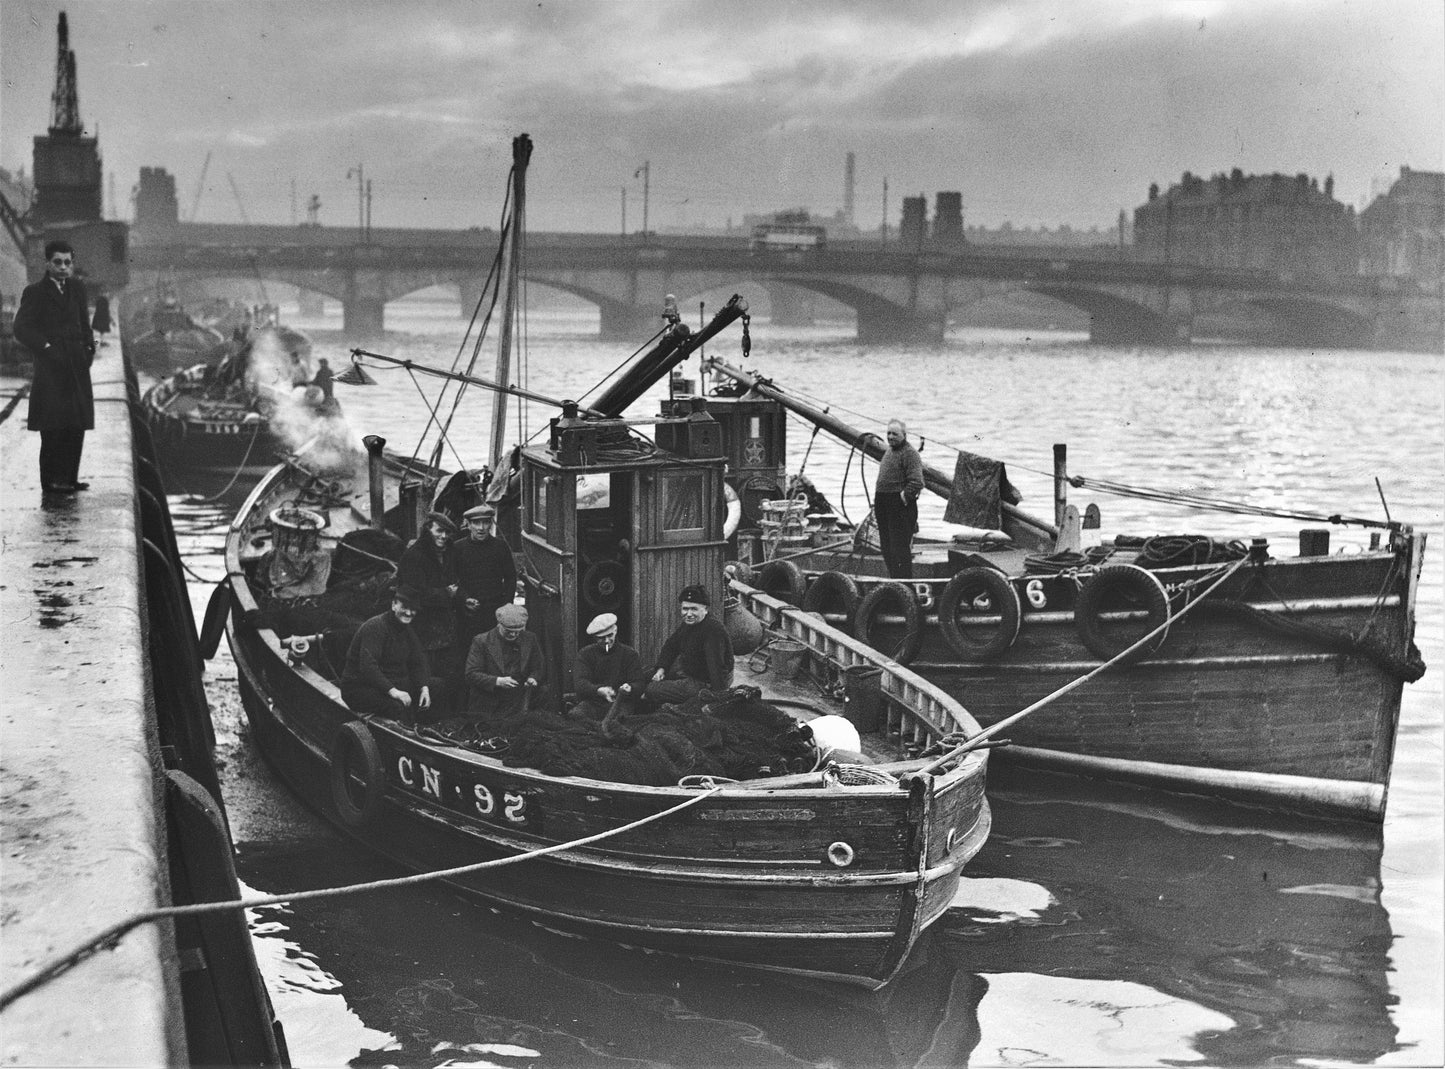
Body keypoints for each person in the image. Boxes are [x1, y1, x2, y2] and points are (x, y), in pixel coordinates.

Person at [13, 240, 96, 494]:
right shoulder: (35, 292)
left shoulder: (78, 289)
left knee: (75, 424)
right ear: (48, 264)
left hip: (76, 367)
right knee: (53, 427)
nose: (63, 267)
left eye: (67, 263)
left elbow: (84, 323)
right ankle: (51, 481)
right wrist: (46, 348)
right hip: (51, 369)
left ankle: (70, 478)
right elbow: (21, 328)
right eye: (58, 262)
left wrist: (89, 349)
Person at [338, 585, 440, 724]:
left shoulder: (407, 630)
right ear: (394, 605)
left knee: (437, 687)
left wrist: (424, 688)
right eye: (405, 607)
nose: (409, 613)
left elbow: (417, 662)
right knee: (396, 707)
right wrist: (395, 692)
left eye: (413, 609)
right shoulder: (375, 626)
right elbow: (368, 667)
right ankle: (406, 739)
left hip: (390, 684)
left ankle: (428, 731)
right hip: (360, 688)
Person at [644, 584, 735, 706]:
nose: (689, 614)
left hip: (705, 682)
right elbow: (671, 646)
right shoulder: (689, 624)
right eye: (685, 609)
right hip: (691, 670)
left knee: (652, 689)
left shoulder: (713, 631)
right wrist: (662, 669)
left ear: (705, 609)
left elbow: (717, 668)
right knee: (645, 675)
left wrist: (717, 700)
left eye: (694, 609)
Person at [449, 503, 517, 653]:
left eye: (485, 522)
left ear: (490, 524)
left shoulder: (500, 547)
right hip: (468, 613)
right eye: (476, 523)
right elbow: (450, 580)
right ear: (468, 525)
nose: (481, 528)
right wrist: (463, 598)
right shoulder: (457, 548)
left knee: (495, 652)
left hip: (494, 611)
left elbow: (511, 577)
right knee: (468, 651)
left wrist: (506, 605)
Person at [395, 511, 459, 670]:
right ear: (427, 530)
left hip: (445, 628)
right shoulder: (414, 557)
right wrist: (446, 593)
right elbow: (412, 594)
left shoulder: (448, 552)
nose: (444, 536)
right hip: (422, 628)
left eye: (447, 532)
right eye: (439, 531)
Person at [464, 603, 544, 720]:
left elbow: (538, 666)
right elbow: (471, 674)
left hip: (519, 701)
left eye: (517, 631)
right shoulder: (481, 641)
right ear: (499, 625)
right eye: (508, 631)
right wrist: (497, 681)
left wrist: (533, 678)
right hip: (489, 703)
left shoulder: (530, 638)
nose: (513, 634)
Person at [572, 613, 648, 719]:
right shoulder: (585, 654)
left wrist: (630, 688)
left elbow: (639, 683)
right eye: (601, 638)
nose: (607, 641)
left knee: (617, 722)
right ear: (594, 637)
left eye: (610, 635)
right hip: (593, 703)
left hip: (621, 704)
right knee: (576, 715)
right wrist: (598, 690)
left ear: (615, 631)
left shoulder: (629, 654)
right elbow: (580, 683)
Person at [874, 418, 924, 579]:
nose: (890, 437)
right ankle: (895, 582)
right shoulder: (889, 451)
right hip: (883, 503)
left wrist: (903, 498)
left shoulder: (910, 453)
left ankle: (905, 586)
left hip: (899, 506)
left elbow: (917, 481)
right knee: (886, 547)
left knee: (899, 549)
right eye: (888, 433)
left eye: (895, 434)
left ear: (904, 435)